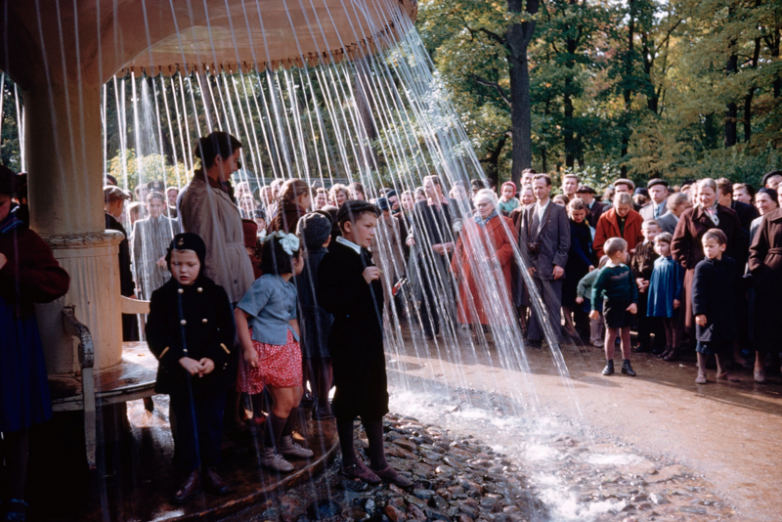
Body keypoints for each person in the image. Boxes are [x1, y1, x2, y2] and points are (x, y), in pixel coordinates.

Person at [317, 200, 412, 487]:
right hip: (348, 340)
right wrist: (360, 281)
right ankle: (348, 461)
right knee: (348, 397)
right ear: (347, 226)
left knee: (375, 395)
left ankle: (379, 462)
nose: (373, 232)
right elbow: (328, 301)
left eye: (374, 226)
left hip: (369, 337)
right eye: (368, 226)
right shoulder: (333, 258)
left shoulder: (361, 253)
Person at [0, 167, 70, 521]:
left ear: (11, 200)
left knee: (14, 418)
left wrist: (8, 269)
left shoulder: (23, 237)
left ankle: (16, 497)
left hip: (10, 340)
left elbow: (57, 282)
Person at [145, 233, 236, 503]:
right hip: (180, 374)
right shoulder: (162, 297)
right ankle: (190, 472)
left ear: (201, 263)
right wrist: (179, 359)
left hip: (212, 373)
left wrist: (213, 358)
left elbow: (226, 331)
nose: (183, 270)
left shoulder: (216, 293)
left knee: (212, 422)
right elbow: (155, 335)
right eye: (176, 263)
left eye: (190, 264)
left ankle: (210, 469)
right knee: (185, 424)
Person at [235, 232, 313, 472]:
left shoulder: (289, 287)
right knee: (284, 401)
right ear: (293, 259)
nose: (302, 259)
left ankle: (286, 442)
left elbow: (291, 320)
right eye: (300, 255)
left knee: (296, 396)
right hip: (268, 349)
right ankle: (269, 453)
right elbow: (240, 313)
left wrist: (297, 348)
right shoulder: (266, 283)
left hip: (286, 348)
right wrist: (248, 349)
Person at [671, 178, 742, 336]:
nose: (704, 198)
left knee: (723, 315)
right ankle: (698, 348)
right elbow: (677, 245)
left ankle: (725, 349)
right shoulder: (689, 215)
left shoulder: (729, 214)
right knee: (699, 313)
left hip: (724, 271)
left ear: (716, 195)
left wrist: (731, 265)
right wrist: (691, 263)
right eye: (700, 194)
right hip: (698, 271)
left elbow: (738, 243)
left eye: (708, 194)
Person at [450, 189, 514, 336]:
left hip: (493, 268)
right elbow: (460, 245)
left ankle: (498, 336)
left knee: (494, 303)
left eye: (484, 204)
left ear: (493, 204)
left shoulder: (506, 222)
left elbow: (510, 245)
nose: (481, 208)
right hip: (470, 269)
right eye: (478, 205)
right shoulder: (469, 222)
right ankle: (476, 332)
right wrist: (455, 266)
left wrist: (495, 257)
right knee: (473, 302)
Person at [519, 174, 571, 347]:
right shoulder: (528, 210)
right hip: (534, 266)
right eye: (535, 187)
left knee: (553, 305)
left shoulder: (559, 210)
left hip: (552, 266)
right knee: (534, 303)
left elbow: (565, 240)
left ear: (549, 188)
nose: (537, 190)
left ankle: (554, 340)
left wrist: (559, 264)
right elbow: (523, 240)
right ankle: (533, 338)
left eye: (541, 187)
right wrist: (526, 265)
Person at [296, 213, 335, 419]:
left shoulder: (298, 263)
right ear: (328, 238)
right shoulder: (333, 260)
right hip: (328, 319)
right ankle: (323, 406)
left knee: (306, 358)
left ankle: (302, 395)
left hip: (302, 320)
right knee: (325, 362)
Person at [407, 176, 455, 340]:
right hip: (428, 257)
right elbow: (417, 231)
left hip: (450, 256)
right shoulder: (420, 206)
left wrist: (452, 244)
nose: (425, 190)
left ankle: (453, 327)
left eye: (428, 187)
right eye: (425, 187)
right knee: (428, 292)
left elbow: (460, 226)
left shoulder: (453, 204)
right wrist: (432, 246)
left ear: (438, 186)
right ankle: (430, 329)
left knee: (450, 290)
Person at [692, 230, 740, 384]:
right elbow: (697, 291)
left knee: (723, 341)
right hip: (708, 312)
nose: (708, 249)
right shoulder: (702, 266)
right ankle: (702, 372)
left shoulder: (730, 264)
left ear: (722, 247)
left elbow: (737, 283)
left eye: (711, 246)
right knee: (704, 342)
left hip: (725, 311)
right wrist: (699, 312)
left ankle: (722, 371)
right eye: (705, 246)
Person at [589, 237, 638, 377]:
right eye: (626, 251)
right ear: (618, 253)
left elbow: (632, 286)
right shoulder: (605, 271)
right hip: (612, 305)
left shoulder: (626, 269)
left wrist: (634, 302)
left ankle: (626, 364)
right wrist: (594, 308)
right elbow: (596, 289)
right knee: (611, 334)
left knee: (626, 335)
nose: (627, 253)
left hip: (626, 305)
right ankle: (609, 364)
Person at [748, 193, 782, 383]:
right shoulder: (769, 218)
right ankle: (759, 363)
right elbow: (755, 250)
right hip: (770, 277)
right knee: (764, 321)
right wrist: (758, 271)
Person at [132, 191, 182, 299]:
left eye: (158, 205)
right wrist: (135, 277)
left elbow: (180, 249)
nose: (155, 208)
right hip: (147, 274)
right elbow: (135, 253)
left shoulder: (173, 224)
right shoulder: (139, 225)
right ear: (147, 206)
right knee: (150, 305)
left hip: (168, 273)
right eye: (152, 205)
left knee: (169, 303)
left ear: (164, 205)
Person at [105, 186, 139, 341]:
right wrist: (130, 291)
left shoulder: (96, 224)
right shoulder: (116, 228)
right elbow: (124, 265)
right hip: (119, 289)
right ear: (119, 203)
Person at [647, 232, 684, 361]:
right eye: (657, 245)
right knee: (665, 323)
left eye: (663, 245)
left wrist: (677, 297)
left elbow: (680, 281)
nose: (659, 248)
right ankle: (668, 347)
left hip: (671, 296)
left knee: (674, 324)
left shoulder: (675, 262)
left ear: (670, 245)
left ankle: (675, 349)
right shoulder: (657, 261)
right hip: (661, 296)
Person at [562, 198, 595, 341]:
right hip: (571, 264)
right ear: (569, 211)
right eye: (576, 214)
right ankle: (569, 326)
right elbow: (575, 246)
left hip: (583, 265)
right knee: (569, 296)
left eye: (582, 214)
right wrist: (589, 263)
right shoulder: (568, 225)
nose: (579, 217)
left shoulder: (586, 224)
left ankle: (581, 326)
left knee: (581, 295)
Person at [630, 220, 662, 353]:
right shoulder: (639, 247)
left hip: (655, 285)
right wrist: (637, 279)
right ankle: (643, 342)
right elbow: (633, 266)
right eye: (648, 232)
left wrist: (650, 281)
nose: (651, 234)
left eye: (654, 232)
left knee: (657, 317)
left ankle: (659, 344)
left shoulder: (660, 247)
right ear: (643, 232)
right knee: (642, 316)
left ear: (659, 231)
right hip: (641, 286)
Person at [593, 192, 644, 259]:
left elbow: (642, 239)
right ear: (614, 205)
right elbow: (598, 242)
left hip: (633, 258)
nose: (622, 212)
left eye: (626, 209)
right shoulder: (604, 218)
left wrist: (637, 253)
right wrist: (605, 258)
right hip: (610, 259)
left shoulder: (637, 217)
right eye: (619, 209)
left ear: (630, 206)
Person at [576, 256, 611, 347]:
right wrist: (579, 295)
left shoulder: (609, 274)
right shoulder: (595, 274)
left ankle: (598, 337)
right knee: (596, 318)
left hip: (601, 298)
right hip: (591, 298)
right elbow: (582, 283)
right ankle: (593, 338)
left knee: (602, 318)